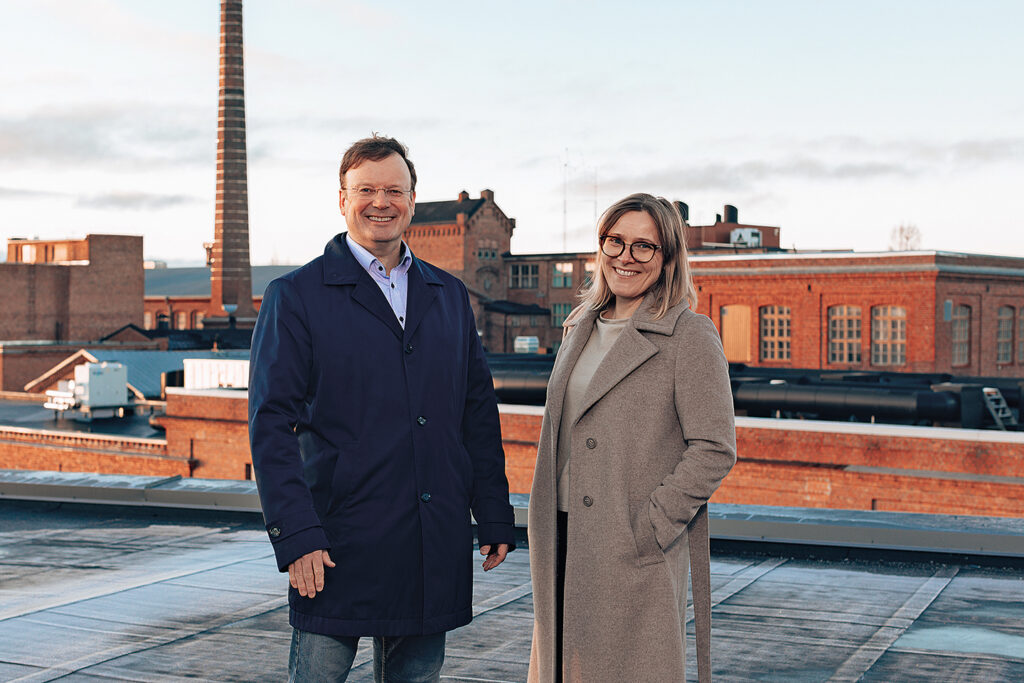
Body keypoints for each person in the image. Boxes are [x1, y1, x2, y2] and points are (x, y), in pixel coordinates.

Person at [248, 135, 515, 683]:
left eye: (394, 190)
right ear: (341, 199)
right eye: (365, 189)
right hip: (337, 538)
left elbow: (476, 413)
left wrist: (492, 510)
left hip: (428, 536)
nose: (380, 201)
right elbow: (271, 424)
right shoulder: (296, 296)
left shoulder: (448, 295)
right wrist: (297, 535)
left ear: (412, 201)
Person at [527, 193, 736, 683]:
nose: (626, 256)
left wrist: (651, 525)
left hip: (629, 548)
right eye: (615, 241)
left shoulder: (689, 335)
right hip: (560, 537)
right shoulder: (579, 326)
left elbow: (714, 447)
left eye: (644, 247)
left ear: (667, 260)